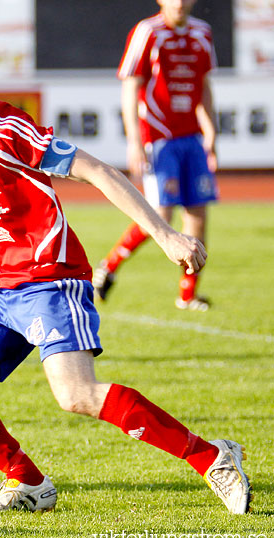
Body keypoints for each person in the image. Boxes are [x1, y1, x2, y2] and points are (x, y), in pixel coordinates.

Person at [0, 21, 250, 515]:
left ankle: (212, 457)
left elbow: (99, 171)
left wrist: (165, 234)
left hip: (51, 278)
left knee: (77, 394)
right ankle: (28, 483)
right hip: (0, 287)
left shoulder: (7, 129)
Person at [92, 0, 218, 312]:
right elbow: (130, 86)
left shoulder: (203, 33)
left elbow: (203, 85)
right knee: (161, 214)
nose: (181, 2)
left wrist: (211, 131)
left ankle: (187, 295)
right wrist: (134, 140)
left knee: (198, 217)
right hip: (159, 137)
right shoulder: (147, 32)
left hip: (192, 137)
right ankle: (108, 266)